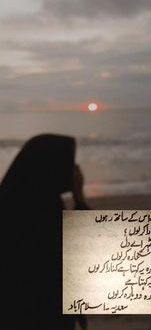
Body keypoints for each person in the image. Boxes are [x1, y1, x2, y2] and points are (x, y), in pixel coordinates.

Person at [0, 134, 88, 330]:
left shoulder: (16, 204)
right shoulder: (39, 215)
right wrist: (80, 200)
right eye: (70, 162)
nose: (75, 170)